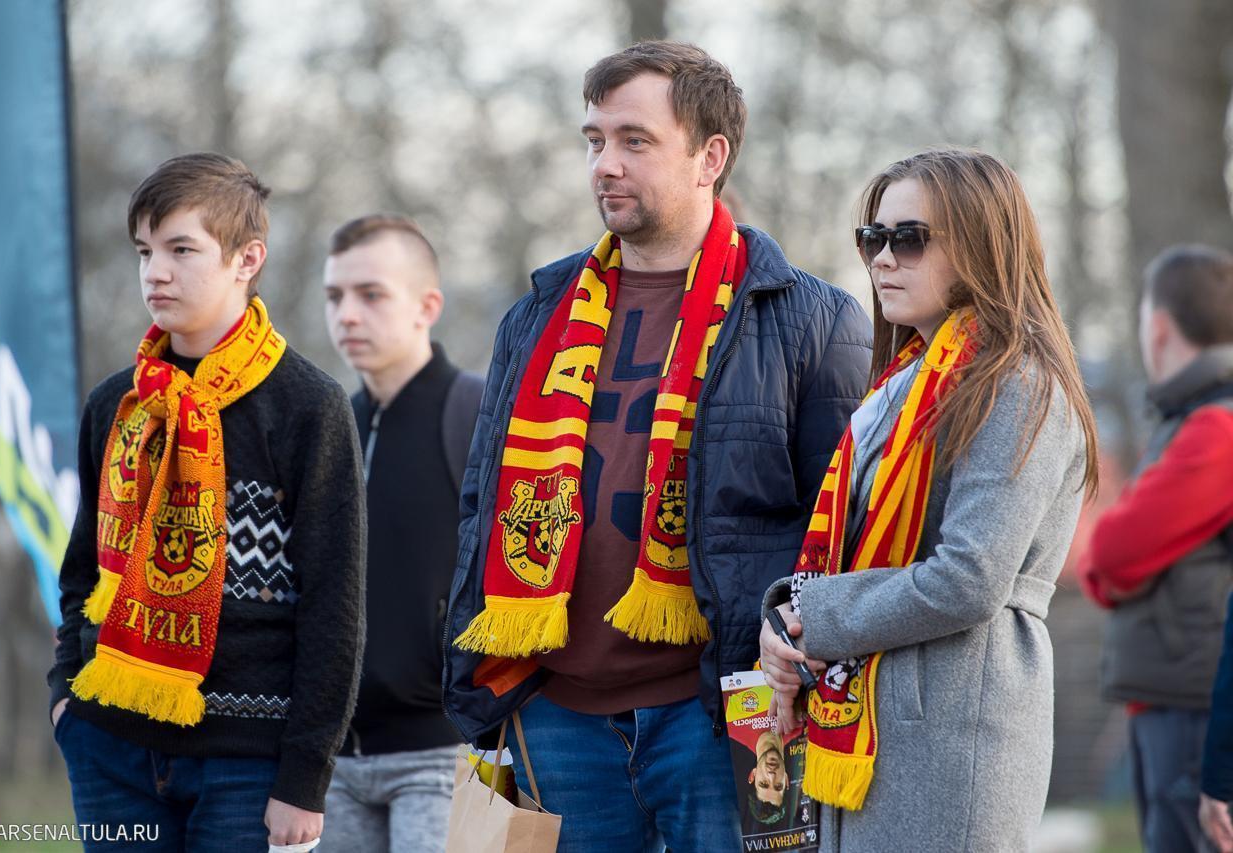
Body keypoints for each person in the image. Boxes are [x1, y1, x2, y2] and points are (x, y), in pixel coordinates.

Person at [442, 40, 871, 852]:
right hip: (556, 716)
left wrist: (794, 670)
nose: (604, 163)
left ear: (711, 157)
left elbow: (844, 536)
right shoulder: (534, 314)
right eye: (595, 140)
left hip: (733, 715)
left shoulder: (812, 320)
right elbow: (482, 503)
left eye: (634, 141)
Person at [759, 148, 1099, 851]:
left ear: (980, 247)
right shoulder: (900, 386)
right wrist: (788, 620)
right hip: (872, 717)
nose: (883, 258)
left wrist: (815, 617)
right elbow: (855, 555)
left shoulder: (1016, 382)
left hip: (952, 728)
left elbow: (969, 578)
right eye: (873, 238)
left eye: (909, 238)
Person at [47, 153, 365, 851]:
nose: (155, 272)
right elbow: (80, 573)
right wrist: (65, 698)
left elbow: (334, 606)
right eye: (144, 251)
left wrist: (304, 777)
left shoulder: (309, 407)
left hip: (245, 763)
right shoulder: (117, 403)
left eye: (181, 250)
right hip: (110, 745)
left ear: (247, 259)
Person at [318, 214, 483, 853]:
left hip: (442, 755)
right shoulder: (328, 426)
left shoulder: (478, 414)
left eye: (371, 294)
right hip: (333, 762)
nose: (347, 315)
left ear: (427, 306)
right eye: (335, 296)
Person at [1075, 245, 1233, 853]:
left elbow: (1109, 552)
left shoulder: (1215, 427)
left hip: (1193, 714)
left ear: (1159, 327)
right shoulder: (1189, 419)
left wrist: (1109, 572)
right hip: (1176, 703)